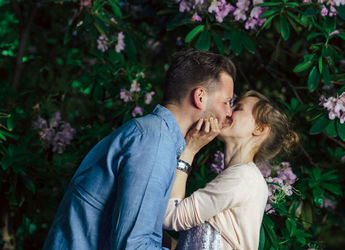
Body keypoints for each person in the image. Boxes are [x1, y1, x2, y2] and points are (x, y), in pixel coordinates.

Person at [42, 49, 236, 250]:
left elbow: (138, 228)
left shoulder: (154, 135)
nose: (229, 112)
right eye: (226, 102)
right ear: (200, 97)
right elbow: (133, 245)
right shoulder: (155, 142)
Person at [163, 90, 299, 250]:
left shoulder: (243, 178)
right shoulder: (242, 177)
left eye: (238, 108)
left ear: (260, 129)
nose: (228, 111)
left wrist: (189, 151)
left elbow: (170, 217)